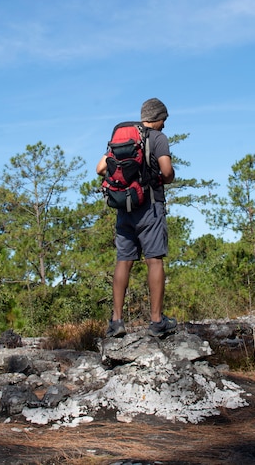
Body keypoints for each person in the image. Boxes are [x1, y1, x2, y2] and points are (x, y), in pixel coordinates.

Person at [96, 98, 177, 338]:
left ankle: (117, 321)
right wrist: (167, 177)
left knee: (124, 261)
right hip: (150, 207)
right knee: (154, 260)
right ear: (158, 117)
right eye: (164, 119)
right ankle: (156, 321)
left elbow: (100, 168)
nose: (164, 124)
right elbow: (167, 171)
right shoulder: (158, 138)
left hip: (124, 208)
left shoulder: (124, 137)